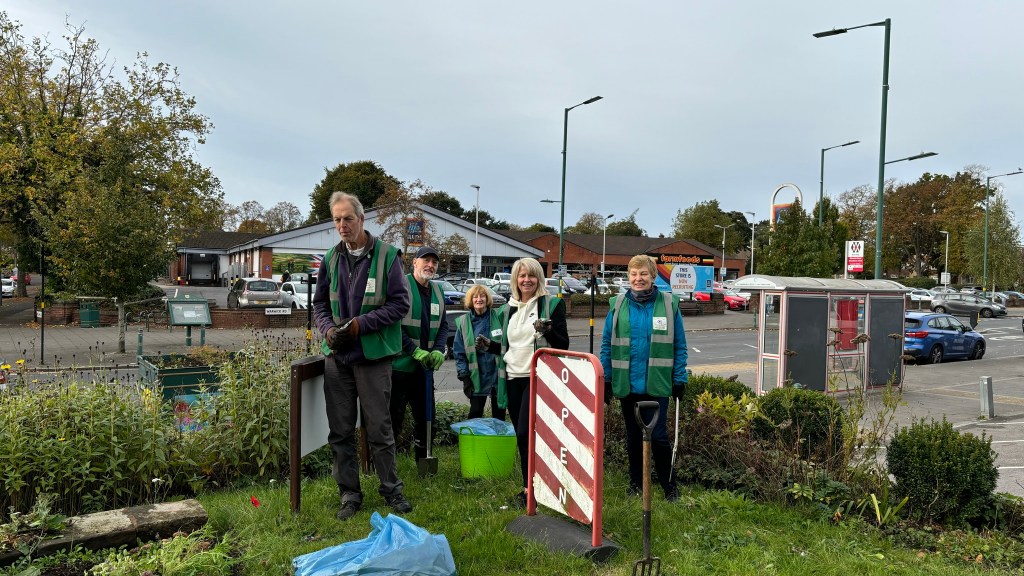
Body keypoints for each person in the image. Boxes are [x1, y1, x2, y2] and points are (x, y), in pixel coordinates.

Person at [312, 191, 413, 521]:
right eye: (337, 219)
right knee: (340, 431)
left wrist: (359, 326)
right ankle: (349, 494)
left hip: (373, 356)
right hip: (337, 357)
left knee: (379, 428)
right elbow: (320, 304)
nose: (342, 225)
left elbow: (400, 304)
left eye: (348, 218)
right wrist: (328, 329)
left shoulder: (387, 256)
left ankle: (392, 490)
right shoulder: (331, 258)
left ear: (361, 219)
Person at [477, 257, 568, 506]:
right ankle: (529, 488)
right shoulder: (508, 310)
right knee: (522, 436)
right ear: (515, 280)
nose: (526, 280)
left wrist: (549, 330)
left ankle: (537, 490)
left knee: (527, 432)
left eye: (531, 275)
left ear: (539, 278)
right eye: (521, 275)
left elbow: (563, 345)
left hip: (537, 376)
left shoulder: (551, 305)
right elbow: (510, 347)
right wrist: (491, 346)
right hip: (512, 377)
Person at [600, 255, 687, 502]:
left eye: (643, 274)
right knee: (633, 437)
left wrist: (679, 378)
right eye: (634, 274)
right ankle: (636, 484)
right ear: (629, 277)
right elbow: (607, 344)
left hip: (657, 383)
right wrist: (605, 378)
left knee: (658, 437)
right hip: (627, 383)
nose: (638, 279)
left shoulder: (669, 305)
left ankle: (669, 487)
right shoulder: (617, 305)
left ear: (653, 276)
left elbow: (679, 344)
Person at [389, 246, 448, 460]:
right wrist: (414, 350)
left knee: (426, 419)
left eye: (434, 262)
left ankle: (423, 461)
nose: (430, 265)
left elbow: (443, 325)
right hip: (400, 367)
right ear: (414, 262)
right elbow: (392, 324)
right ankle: (387, 466)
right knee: (393, 419)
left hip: (425, 368)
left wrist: (439, 350)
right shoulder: (400, 286)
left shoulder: (438, 291)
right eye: (426, 260)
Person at [454, 284, 506, 421]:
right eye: (475, 297)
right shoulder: (464, 322)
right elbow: (459, 353)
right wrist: (464, 377)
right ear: (470, 300)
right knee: (475, 414)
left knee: (499, 416)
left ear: (487, 299)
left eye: (482, 296)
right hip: (476, 377)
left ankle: (498, 436)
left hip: (498, 376)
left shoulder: (498, 316)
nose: (479, 299)